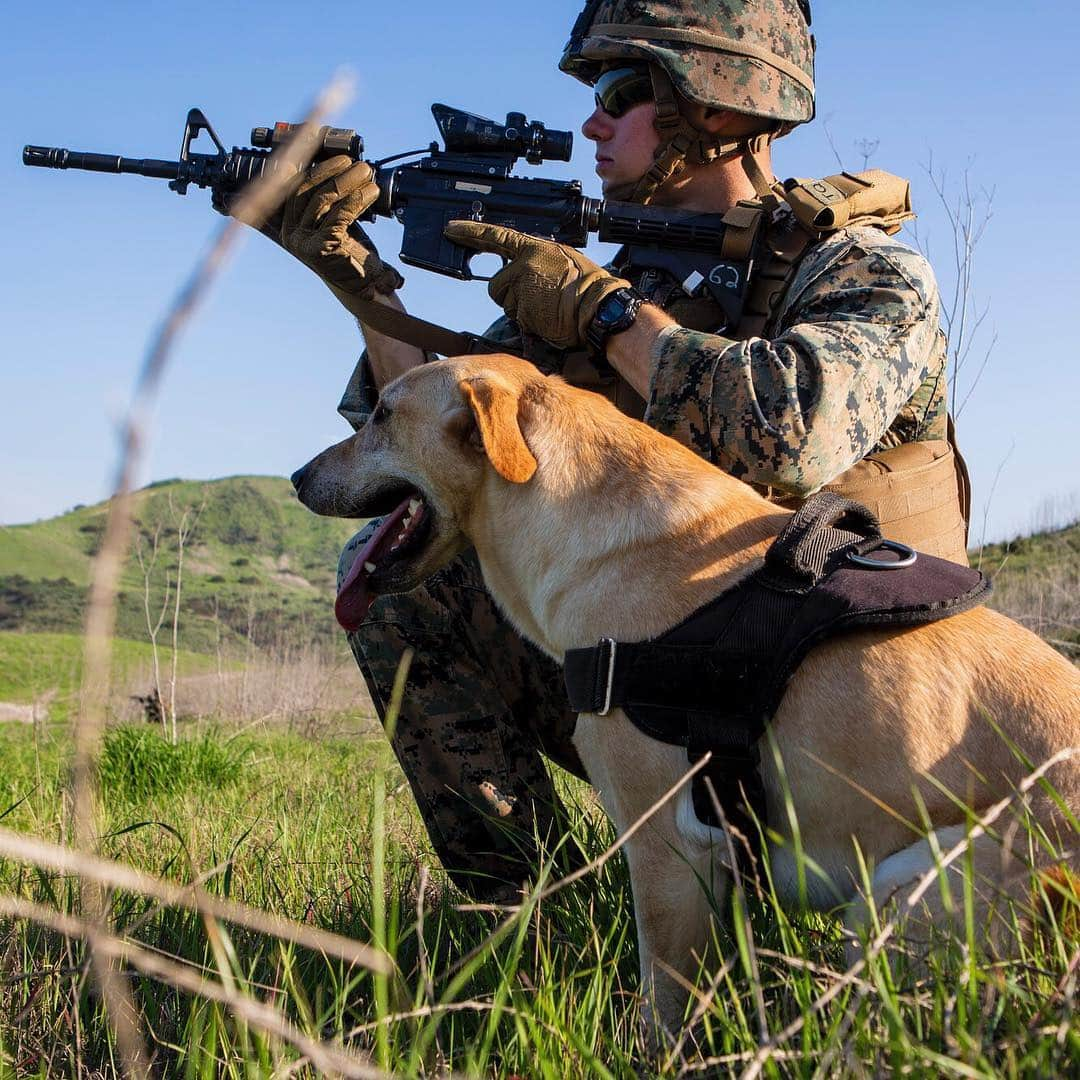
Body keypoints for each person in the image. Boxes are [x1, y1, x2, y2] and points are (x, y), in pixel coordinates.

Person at [261, 0, 971, 899]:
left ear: (716, 105)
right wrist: (354, 276)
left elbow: (788, 438)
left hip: (849, 707)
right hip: (666, 667)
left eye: (618, 90)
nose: (590, 121)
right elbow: (440, 434)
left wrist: (605, 316)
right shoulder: (605, 285)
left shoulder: (865, 271)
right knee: (408, 586)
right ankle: (535, 914)